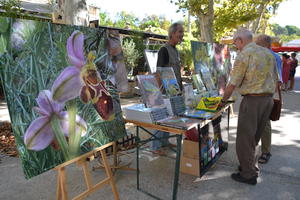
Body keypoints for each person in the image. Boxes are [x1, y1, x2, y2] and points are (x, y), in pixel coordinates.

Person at [218, 29, 278, 185]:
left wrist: (223, 101)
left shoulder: (244, 54)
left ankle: (248, 174)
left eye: (234, 42)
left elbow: (232, 84)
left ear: (239, 40)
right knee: (254, 139)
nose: (234, 45)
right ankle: (250, 166)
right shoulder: (268, 53)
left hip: (253, 101)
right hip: (267, 100)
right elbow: (276, 79)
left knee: (245, 140)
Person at [151, 22, 184, 155]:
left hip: (175, 90)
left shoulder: (175, 50)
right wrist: (158, 93)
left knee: (170, 117)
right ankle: (155, 147)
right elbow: (159, 72)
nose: (182, 35)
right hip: (165, 91)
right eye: (180, 32)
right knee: (161, 118)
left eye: (182, 32)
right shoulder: (164, 50)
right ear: (172, 34)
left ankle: (164, 142)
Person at [254, 34, 282, 164]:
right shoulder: (256, 55)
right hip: (253, 96)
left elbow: (279, 80)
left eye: (258, 44)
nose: (255, 46)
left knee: (265, 124)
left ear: (266, 45)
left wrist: (269, 96)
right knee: (254, 125)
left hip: (265, 96)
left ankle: (265, 151)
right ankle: (254, 150)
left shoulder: (274, 57)